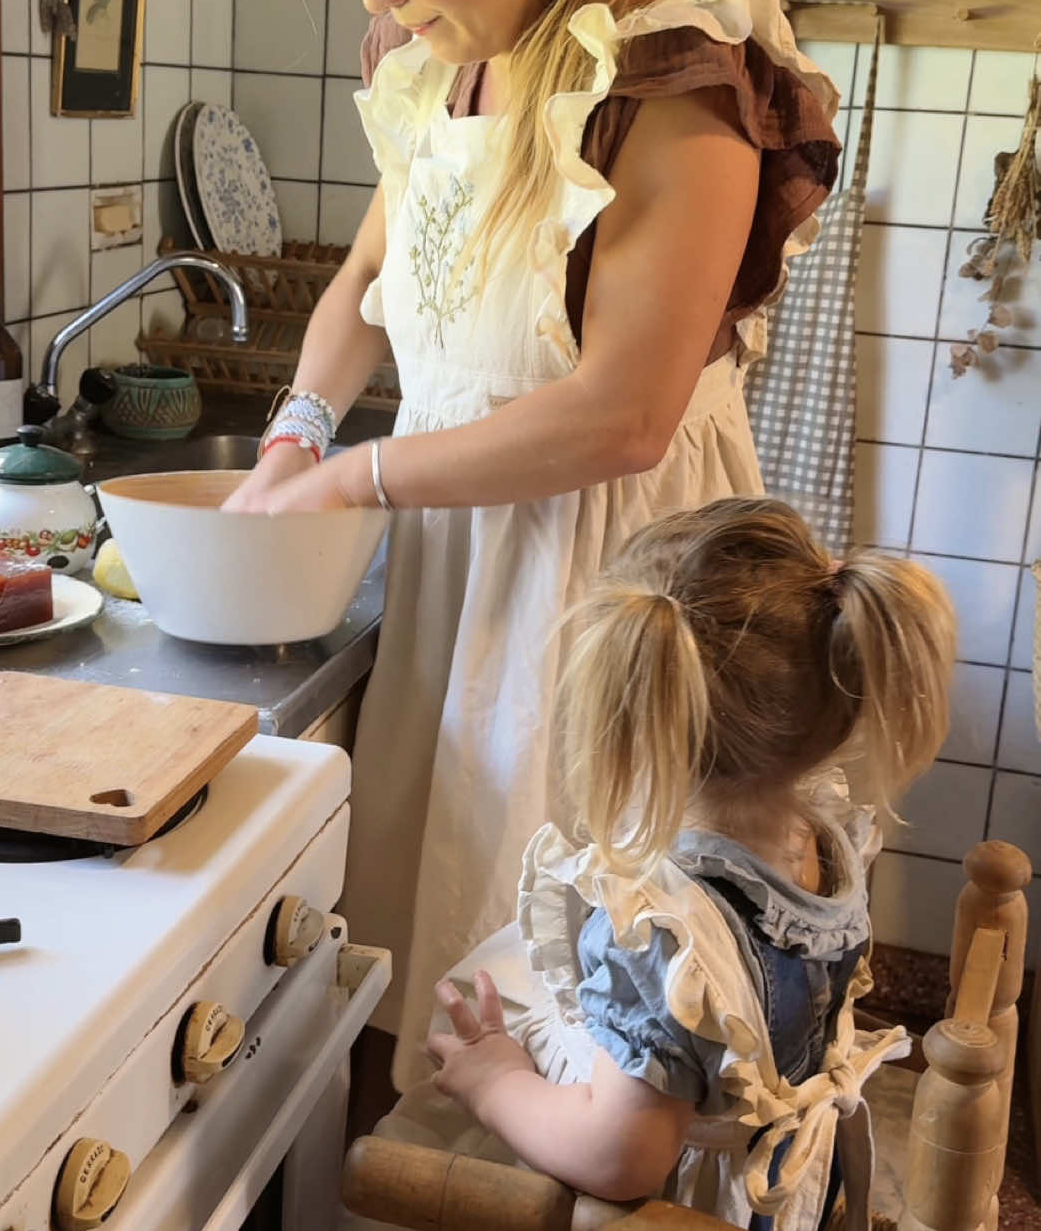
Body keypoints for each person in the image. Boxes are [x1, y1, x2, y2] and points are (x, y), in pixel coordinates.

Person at [222, 0, 844, 1088]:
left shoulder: (675, 81)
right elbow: (364, 282)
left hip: (616, 593)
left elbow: (625, 414)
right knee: (433, 933)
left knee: (591, 1012)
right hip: (456, 563)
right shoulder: (434, 67)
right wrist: (296, 431)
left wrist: (358, 473)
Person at [372, 498, 956, 1227]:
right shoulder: (824, 838)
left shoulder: (661, 934)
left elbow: (620, 1159)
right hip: (784, 1184)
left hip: (682, 1212)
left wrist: (495, 1083)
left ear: (638, 723)